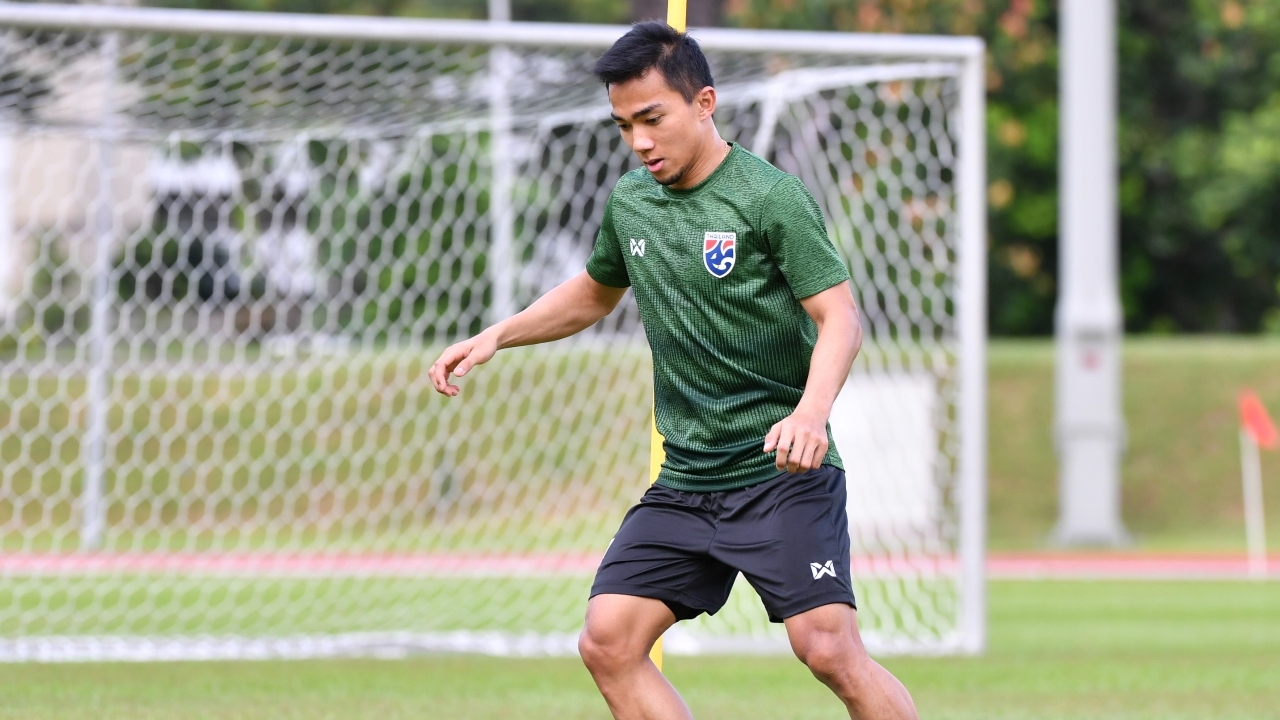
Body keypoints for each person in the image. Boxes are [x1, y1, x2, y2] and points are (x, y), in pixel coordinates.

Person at [429, 21, 919, 720]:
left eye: (652, 119)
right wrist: (498, 335)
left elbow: (840, 317)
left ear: (704, 103)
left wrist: (810, 414)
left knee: (828, 649)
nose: (639, 141)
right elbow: (595, 293)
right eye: (624, 125)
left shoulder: (769, 197)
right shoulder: (632, 201)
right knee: (608, 642)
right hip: (687, 481)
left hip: (779, 474)